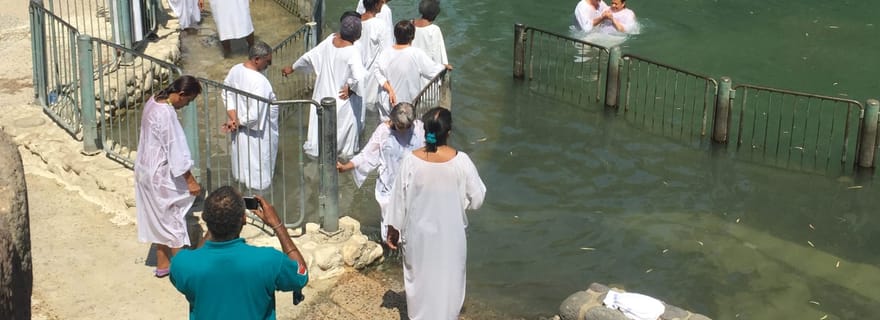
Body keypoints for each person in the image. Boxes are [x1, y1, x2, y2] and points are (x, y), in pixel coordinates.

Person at [386, 107, 487, 320]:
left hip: (418, 236)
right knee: (448, 283)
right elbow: (477, 199)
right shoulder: (462, 161)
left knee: (421, 282)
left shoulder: (410, 161)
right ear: (448, 133)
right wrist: (458, 203)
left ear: (424, 131)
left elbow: (398, 200)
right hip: (451, 236)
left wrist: (393, 229)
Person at [170, 186, 308, 319]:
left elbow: (197, 259)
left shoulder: (182, 264)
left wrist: (214, 223)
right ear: (244, 218)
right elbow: (301, 276)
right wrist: (277, 225)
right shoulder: (269, 261)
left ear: (205, 218)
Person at [134, 75, 202, 278]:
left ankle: (163, 264)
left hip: (144, 170)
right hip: (159, 174)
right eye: (188, 100)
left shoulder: (153, 100)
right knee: (173, 221)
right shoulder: (166, 113)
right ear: (181, 94)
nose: (186, 105)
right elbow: (175, 149)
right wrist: (190, 180)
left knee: (159, 219)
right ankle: (184, 270)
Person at [281, 13, 368, 159]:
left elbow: (309, 56)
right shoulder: (353, 51)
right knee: (344, 144)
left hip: (323, 96)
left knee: (320, 132)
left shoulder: (330, 40)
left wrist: (293, 67)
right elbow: (360, 77)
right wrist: (351, 88)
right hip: (342, 100)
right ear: (357, 35)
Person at [336, 103, 425, 240]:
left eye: (407, 127)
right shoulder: (383, 132)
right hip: (389, 188)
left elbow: (429, 152)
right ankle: (390, 250)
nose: (403, 131)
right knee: (391, 227)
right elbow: (366, 155)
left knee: (413, 228)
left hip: (414, 186)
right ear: (393, 120)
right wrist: (346, 167)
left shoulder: (419, 129)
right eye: (400, 127)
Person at [221, 41, 278, 192]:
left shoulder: (235, 70)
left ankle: (240, 197)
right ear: (257, 59)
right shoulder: (260, 82)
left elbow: (226, 93)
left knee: (241, 165)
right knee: (259, 171)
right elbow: (255, 114)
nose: (269, 65)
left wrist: (234, 119)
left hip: (239, 128)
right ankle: (258, 202)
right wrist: (237, 121)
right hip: (259, 135)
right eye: (267, 61)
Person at [374, 20, 446, 120]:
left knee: (386, 127)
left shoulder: (385, 53)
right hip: (407, 106)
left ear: (395, 35)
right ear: (412, 37)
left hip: (387, 104)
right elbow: (433, 71)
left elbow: (377, 72)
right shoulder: (416, 53)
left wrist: (389, 89)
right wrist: (444, 66)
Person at [356, 0, 391, 113]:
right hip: (373, 75)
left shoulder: (355, 22)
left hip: (357, 74)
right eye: (381, 2)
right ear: (376, 5)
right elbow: (387, 53)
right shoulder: (380, 25)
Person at [412, 0, 451, 69]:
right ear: (434, 14)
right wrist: (443, 66)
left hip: (412, 65)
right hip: (427, 69)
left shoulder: (410, 24)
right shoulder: (434, 29)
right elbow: (437, 54)